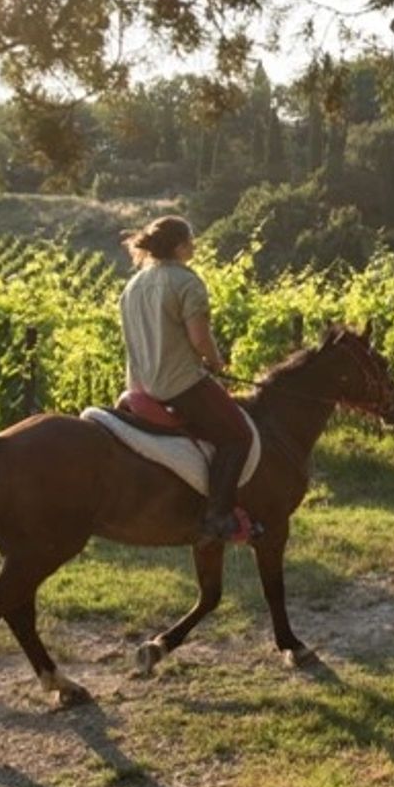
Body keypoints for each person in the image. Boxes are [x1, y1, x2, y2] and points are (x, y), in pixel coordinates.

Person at [118, 215, 252, 542]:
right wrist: (216, 362)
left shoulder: (133, 285)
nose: (194, 247)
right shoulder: (187, 282)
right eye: (191, 242)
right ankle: (217, 516)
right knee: (238, 436)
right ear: (180, 247)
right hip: (180, 384)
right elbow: (199, 339)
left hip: (139, 387)